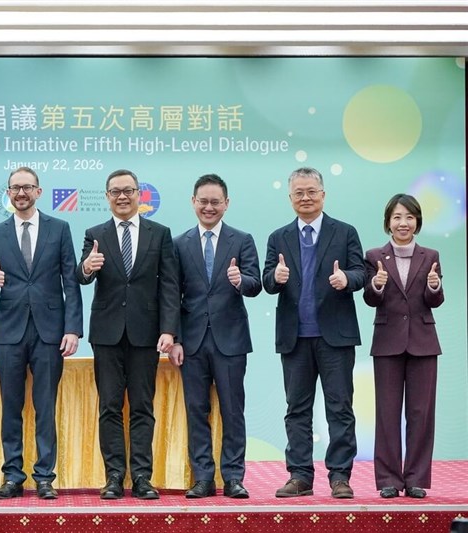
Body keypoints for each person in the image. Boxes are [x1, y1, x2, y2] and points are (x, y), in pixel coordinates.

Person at [0, 167, 83, 500]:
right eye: (15, 188)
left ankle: (44, 477)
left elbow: (71, 281)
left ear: (38, 191)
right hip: (9, 332)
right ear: (8, 194)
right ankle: (12, 476)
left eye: (27, 187)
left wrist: (73, 329)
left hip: (50, 332)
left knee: (45, 406)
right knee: (11, 406)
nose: (21, 193)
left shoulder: (60, 228)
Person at [262, 167, 365, 499]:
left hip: (335, 335)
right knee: (297, 408)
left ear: (323, 194)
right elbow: (265, 281)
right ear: (290, 198)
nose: (305, 198)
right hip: (295, 337)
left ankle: (339, 476)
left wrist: (346, 279)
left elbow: (362, 271)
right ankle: (300, 476)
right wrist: (275, 277)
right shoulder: (279, 237)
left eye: (311, 191)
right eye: (298, 193)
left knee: (339, 407)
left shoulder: (345, 232)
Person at [77, 169, 179, 500]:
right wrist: (86, 267)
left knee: (141, 407)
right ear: (107, 196)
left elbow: (169, 285)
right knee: (108, 406)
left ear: (139, 195)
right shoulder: (95, 234)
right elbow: (81, 275)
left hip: (145, 334)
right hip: (106, 334)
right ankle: (114, 476)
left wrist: (168, 330)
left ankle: (142, 477)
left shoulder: (159, 233)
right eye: (116, 191)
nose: (122, 196)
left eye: (129, 191)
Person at [168, 174, 261, 499]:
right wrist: (175, 339)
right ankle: (203, 477)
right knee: (197, 410)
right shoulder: (179, 244)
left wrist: (240, 280)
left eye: (215, 202)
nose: (209, 207)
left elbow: (255, 284)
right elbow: (171, 295)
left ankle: (234, 476)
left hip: (231, 341)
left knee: (233, 410)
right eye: (203, 201)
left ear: (226, 204)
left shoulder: (242, 240)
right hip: (191, 343)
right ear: (194, 202)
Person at [363, 193, 444, 499]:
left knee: (422, 413)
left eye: (409, 217)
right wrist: (378, 284)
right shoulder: (374, 256)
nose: (403, 223)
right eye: (397, 217)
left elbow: (434, 299)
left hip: (424, 342)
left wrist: (434, 286)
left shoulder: (431, 255)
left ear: (417, 222)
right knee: (386, 413)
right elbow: (371, 299)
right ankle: (388, 479)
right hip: (387, 343)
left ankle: (416, 479)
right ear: (388, 222)